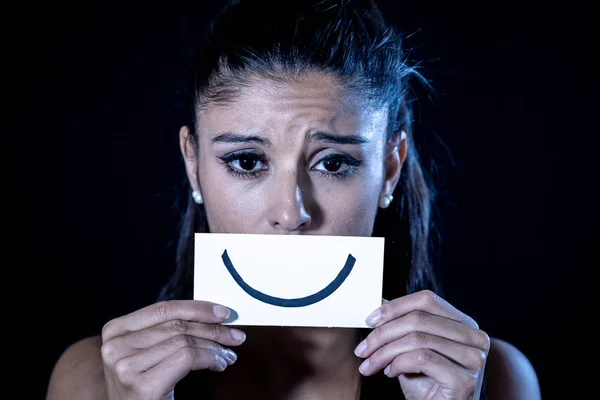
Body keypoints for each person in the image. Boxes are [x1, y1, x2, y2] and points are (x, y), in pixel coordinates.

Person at [46, 0, 542, 399]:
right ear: (192, 164)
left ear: (389, 170)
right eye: (245, 161)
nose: (291, 213)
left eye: (333, 163)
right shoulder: (93, 381)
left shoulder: (495, 379)